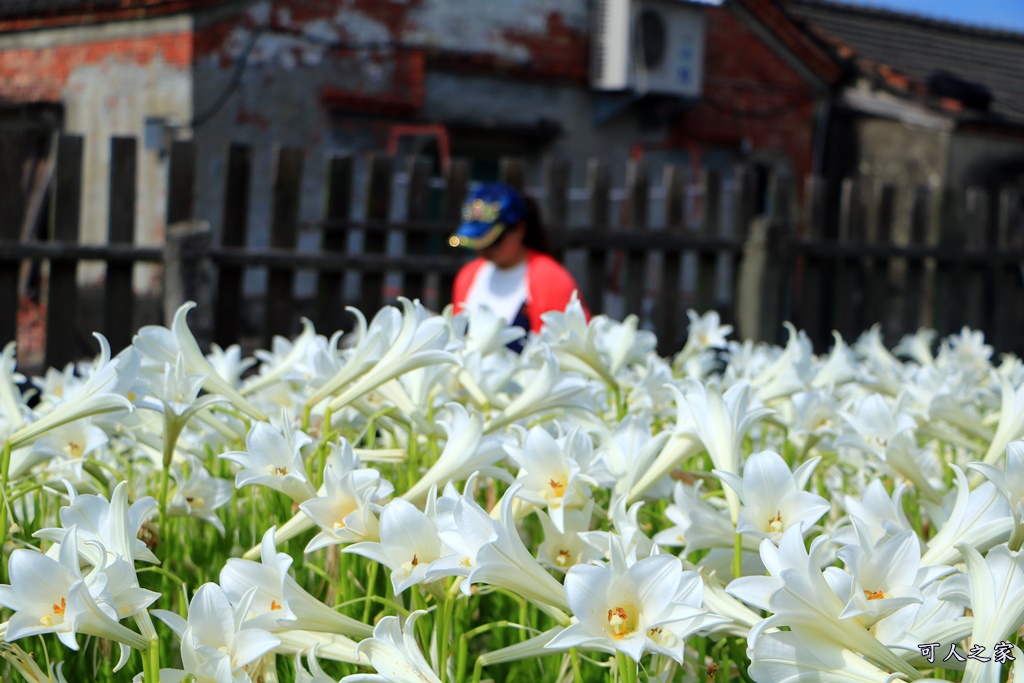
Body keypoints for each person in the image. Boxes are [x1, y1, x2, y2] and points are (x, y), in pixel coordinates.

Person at [449, 182, 588, 336]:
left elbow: (575, 339)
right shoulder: (467, 276)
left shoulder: (552, 279)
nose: (484, 249)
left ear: (520, 228)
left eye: (494, 240)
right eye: (476, 240)